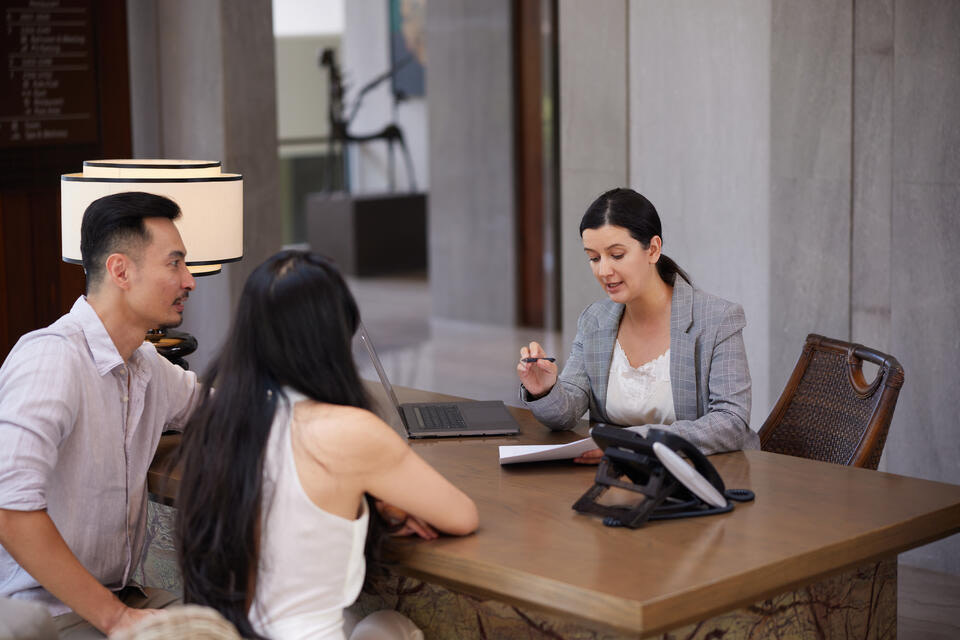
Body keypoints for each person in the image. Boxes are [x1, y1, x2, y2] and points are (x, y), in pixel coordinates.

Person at [175, 250, 479, 640]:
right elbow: (462, 516)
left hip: (231, 632)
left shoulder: (220, 419)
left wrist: (373, 496)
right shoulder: (350, 431)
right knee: (392, 626)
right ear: (332, 335)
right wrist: (385, 498)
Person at [0, 192, 203, 636]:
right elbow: (9, 510)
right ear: (121, 270)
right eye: (175, 263)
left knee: (230, 625)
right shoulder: (52, 360)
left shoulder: (146, 364)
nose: (189, 280)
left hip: (120, 593)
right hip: (43, 613)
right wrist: (118, 619)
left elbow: (225, 412)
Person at [517, 188, 759, 460]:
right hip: (616, 475)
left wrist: (633, 441)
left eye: (617, 255)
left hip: (706, 477)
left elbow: (732, 421)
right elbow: (566, 412)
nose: (603, 271)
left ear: (653, 249)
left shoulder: (717, 319)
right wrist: (545, 390)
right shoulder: (594, 319)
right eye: (594, 258)